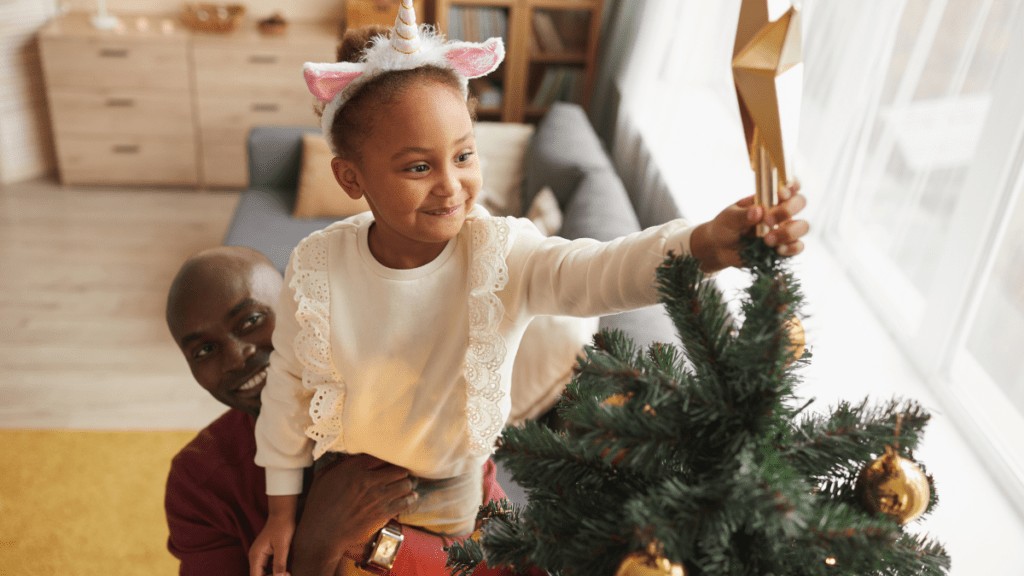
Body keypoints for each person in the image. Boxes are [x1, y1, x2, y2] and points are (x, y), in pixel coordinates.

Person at [252, 1, 811, 574]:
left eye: (464, 155)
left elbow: (601, 272)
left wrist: (705, 243)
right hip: (341, 481)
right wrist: (281, 512)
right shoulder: (316, 264)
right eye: (418, 168)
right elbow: (288, 390)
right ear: (351, 177)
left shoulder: (499, 252)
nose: (452, 186)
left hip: (448, 498)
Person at [164, 246, 515, 575]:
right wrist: (317, 545)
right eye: (204, 350)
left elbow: (504, 560)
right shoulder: (198, 482)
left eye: (251, 320)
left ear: (298, 303)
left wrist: (373, 543)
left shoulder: (415, 403)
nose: (236, 355)